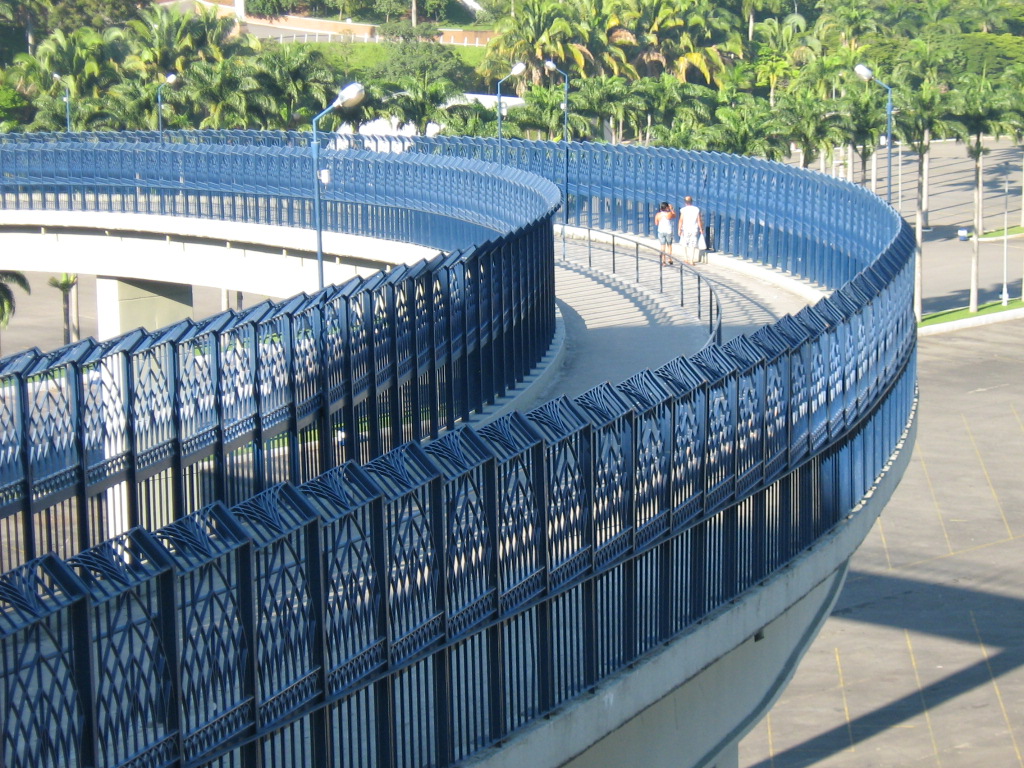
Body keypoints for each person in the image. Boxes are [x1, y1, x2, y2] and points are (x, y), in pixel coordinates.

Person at [677, 195, 705, 265]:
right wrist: (701, 229)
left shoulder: (683, 210)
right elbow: (699, 220)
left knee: (684, 243)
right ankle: (691, 260)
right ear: (692, 201)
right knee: (692, 244)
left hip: (685, 229)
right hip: (694, 229)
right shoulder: (696, 209)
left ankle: (686, 258)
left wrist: (679, 229)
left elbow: (681, 220)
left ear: (685, 202)